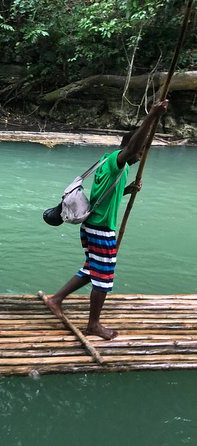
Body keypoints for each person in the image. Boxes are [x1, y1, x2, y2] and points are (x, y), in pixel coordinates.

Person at [45, 100, 169, 340]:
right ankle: (93, 325)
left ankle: (55, 299)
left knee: (92, 269)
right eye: (141, 152)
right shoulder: (117, 161)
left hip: (93, 224)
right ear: (129, 147)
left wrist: (128, 189)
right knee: (103, 279)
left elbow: (101, 195)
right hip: (101, 229)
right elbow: (132, 149)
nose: (140, 157)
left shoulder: (110, 161)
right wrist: (152, 115)